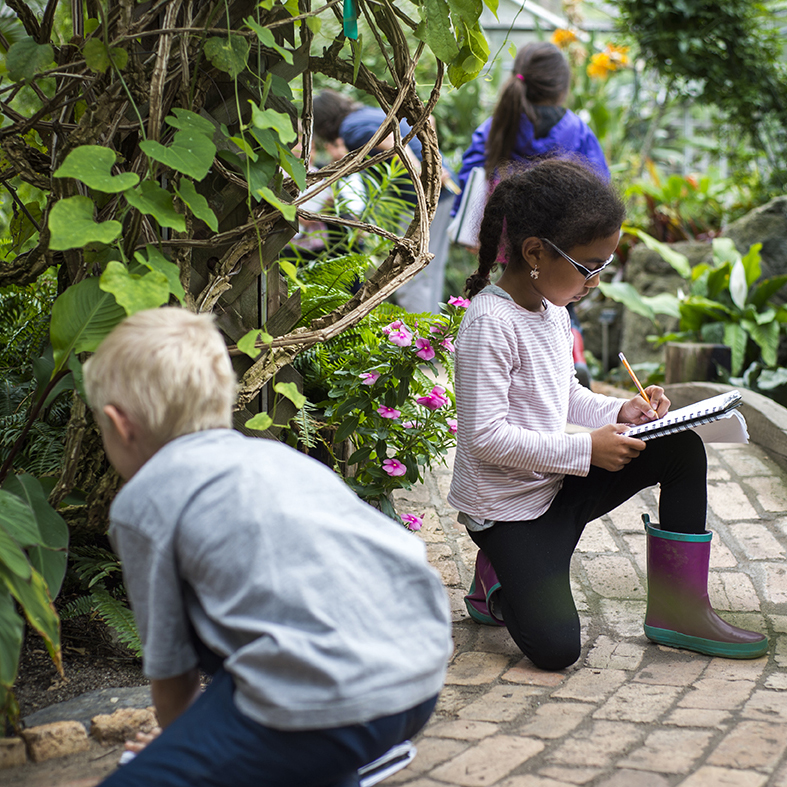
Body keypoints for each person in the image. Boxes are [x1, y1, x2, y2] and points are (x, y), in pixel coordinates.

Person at [83, 308, 453, 787]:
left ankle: (334, 758)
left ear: (119, 423)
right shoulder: (272, 458)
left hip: (328, 705)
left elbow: (172, 672)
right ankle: (342, 757)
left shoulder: (144, 500)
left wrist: (178, 744)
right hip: (417, 677)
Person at [447, 158, 768, 672]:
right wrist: (586, 448)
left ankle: (680, 611)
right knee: (556, 650)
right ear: (535, 253)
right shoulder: (490, 324)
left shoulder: (552, 309)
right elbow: (485, 437)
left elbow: (564, 394)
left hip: (555, 487)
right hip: (508, 512)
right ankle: (499, 572)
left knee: (679, 447)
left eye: (604, 267)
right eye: (588, 266)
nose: (595, 281)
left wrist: (621, 408)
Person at [313, 89, 455, 313]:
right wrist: (435, 163)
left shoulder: (349, 128)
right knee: (430, 270)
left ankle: (419, 340)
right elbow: (428, 120)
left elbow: (393, 143)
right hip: (440, 190)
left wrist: (422, 172)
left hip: (421, 197)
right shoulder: (367, 114)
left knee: (411, 274)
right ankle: (433, 338)